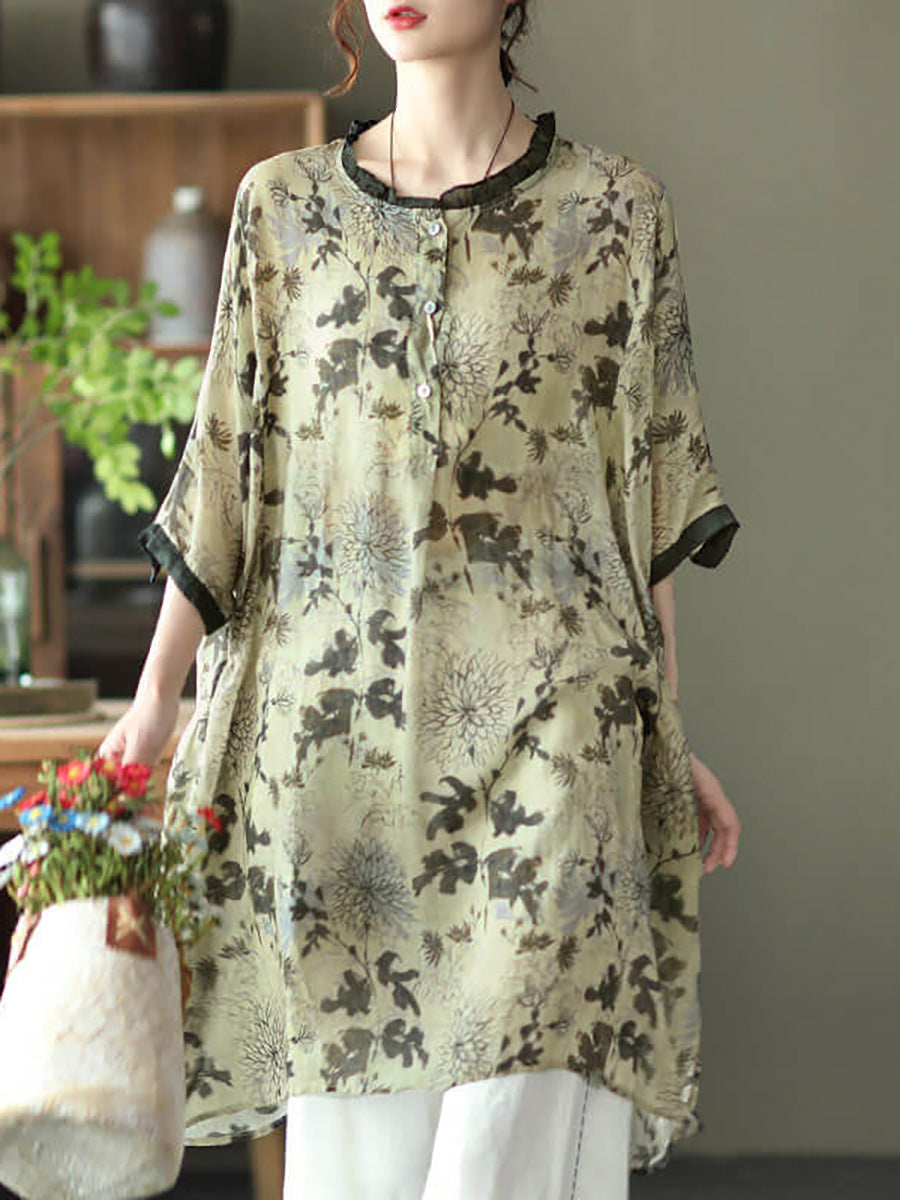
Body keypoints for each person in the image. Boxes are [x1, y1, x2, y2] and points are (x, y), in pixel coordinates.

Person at [98, 1, 743, 1195]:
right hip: (333, 764)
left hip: (557, 743)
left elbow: (644, 496)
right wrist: (151, 706)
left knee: (516, 1134)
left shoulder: (614, 212)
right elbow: (226, 473)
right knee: (363, 1167)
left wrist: (669, 724)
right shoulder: (284, 209)